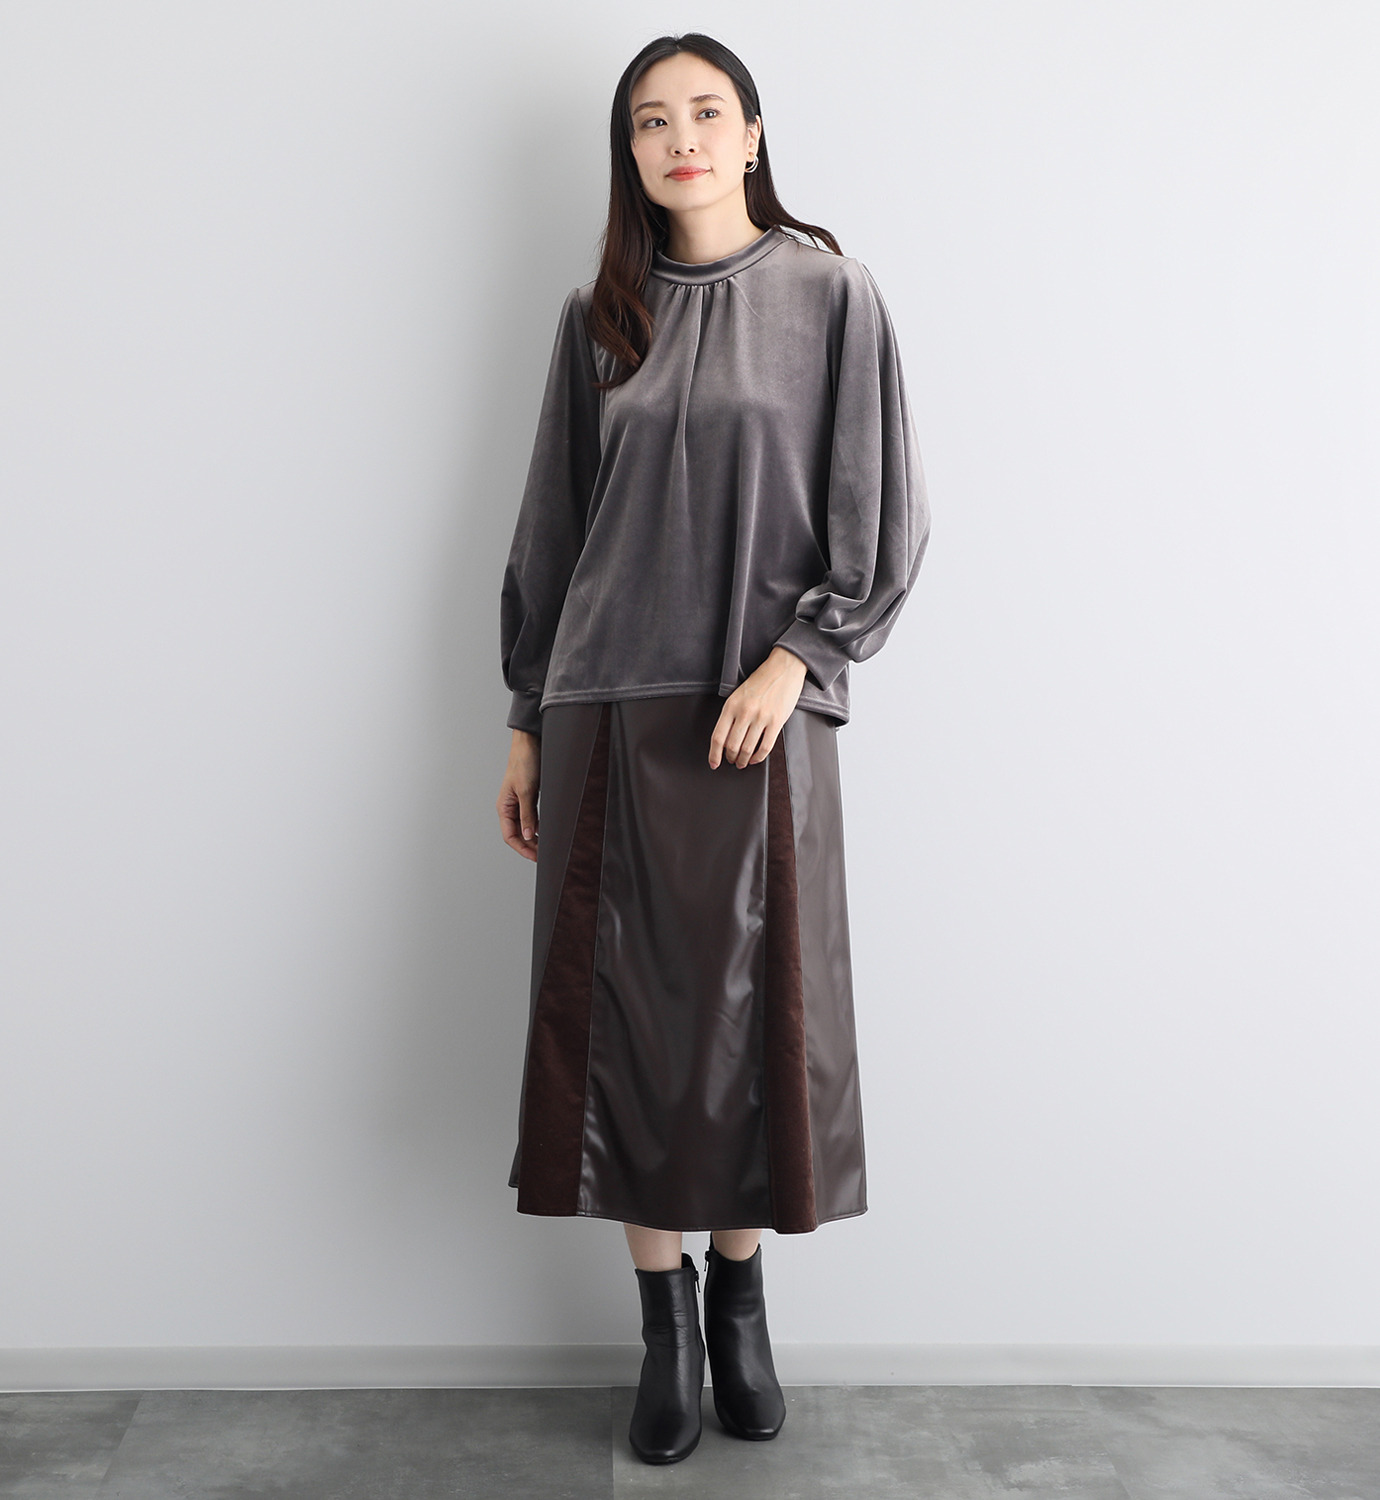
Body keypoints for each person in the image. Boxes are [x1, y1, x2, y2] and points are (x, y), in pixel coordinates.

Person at [495, 32, 930, 1466]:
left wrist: (796, 660)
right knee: (626, 1029)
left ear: (750, 134)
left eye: (704, 112)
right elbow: (554, 531)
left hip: (758, 724)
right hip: (605, 717)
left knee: (752, 1025)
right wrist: (524, 720)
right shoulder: (598, 317)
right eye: (649, 121)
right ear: (628, 154)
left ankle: (741, 1299)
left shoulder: (832, 295)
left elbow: (881, 518)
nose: (678, 138)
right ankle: (663, 1322)